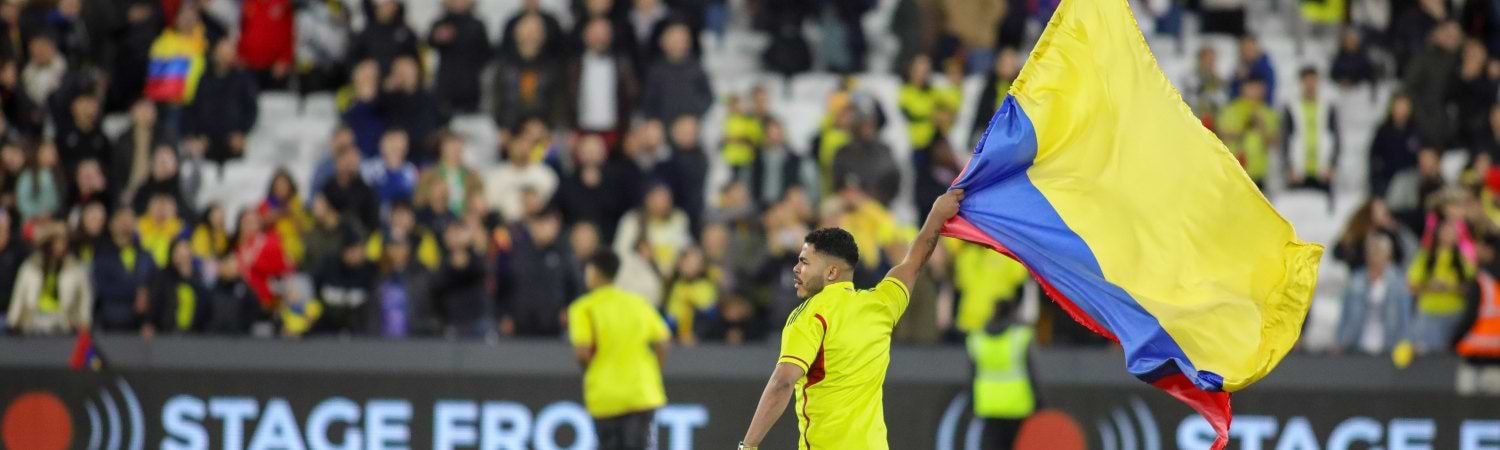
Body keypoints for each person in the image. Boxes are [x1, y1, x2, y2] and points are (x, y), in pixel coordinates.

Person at [739, 189, 965, 449]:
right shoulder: (880, 304)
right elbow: (914, 262)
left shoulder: (810, 316)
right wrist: (937, 214)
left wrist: (748, 446)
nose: (796, 268)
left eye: (805, 262)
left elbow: (783, 382)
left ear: (831, 272)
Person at [567, 251, 670, 450]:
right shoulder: (638, 303)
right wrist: (654, 371)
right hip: (641, 392)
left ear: (593, 272)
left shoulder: (583, 308)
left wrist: (590, 368)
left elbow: (582, 352)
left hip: (605, 395)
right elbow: (663, 341)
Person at [968, 298, 1039, 450]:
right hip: (1017, 403)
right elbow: (1030, 372)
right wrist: (1038, 400)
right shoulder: (1020, 336)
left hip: (988, 402)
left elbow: (972, 374)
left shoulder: (976, 338)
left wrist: (972, 400)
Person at [497, 210, 580, 337]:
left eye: (549, 224)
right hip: (520, 327)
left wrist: (568, 310)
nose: (545, 229)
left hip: (554, 328)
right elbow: (503, 286)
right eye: (541, 224)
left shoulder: (564, 253)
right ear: (532, 226)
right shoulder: (517, 253)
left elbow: (575, 287)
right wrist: (504, 315)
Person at [184, 38, 259, 164]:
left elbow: (251, 110)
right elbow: (193, 109)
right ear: (214, 53)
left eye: (229, 52)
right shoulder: (203, 79)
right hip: (206, 142)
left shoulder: (243, 79)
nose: (226, 56)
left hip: (232, 142)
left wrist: (242, 133)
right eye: (222, 52)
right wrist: (196, 136)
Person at [1335, 234, 1413, 355]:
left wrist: (1405, 343)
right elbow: (1345, 314)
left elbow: (1404, 318)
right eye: (1372, 252)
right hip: (1357, 342)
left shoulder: (1398, 283)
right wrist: (1340, 340)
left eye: (1379, 252)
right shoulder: (1356, 280)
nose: (1375, 256)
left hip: (1389, 343)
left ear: (1388, 255)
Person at [1409, 216, 1475, 353]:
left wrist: (1452, 288)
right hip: (1429, 313)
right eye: (1445, 231)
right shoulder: (1425, 256)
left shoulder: (1463, 259)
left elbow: (1472, 288)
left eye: (1452, 232)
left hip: (1454, 313)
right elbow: (1412, 286)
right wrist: (1430, 286)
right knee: (1427, 353)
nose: (1448, 235)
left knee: (1450, 353)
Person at [6, 225, 89, 335]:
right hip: (34, 321)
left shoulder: (74, 266)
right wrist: (13, 321)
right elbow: (19, 294)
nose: (60, 246)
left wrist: (84, 320)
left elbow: (85, 295)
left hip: (64, 322)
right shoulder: (31, 265)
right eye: (56, 241)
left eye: (63, 241)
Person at [493, 14, 568, 130]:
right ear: (516, 34)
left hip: (543, 130)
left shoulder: (553, 68)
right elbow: (495, 99)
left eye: (535, 31)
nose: (530, 35)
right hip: (508, 130)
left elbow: (558, 104)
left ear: (543, 35)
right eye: (526, 30)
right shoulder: (503, 66)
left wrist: (547, 127)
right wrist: (502, 127)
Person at [570, 17, 639, 140]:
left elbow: (632, 96)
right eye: (595, 33)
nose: (600, 38)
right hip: (581, 132)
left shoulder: (622, 64)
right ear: (585, 36)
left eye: (604, 34)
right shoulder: (573, 65)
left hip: (616, 133)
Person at [1282, 67, 1341, 210]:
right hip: (1298, 171)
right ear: (1301, 83)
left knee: (1325, 212)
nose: (1310, 85)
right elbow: (1286, 139)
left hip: (1322, 170)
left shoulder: (1327, 107)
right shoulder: (1292, 107)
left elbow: (1336, 137)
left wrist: (1332, 165)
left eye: (1313, 81)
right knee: (1296, 211)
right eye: (1306, 81)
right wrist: (1289, 168)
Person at [92, 209, 156, 333]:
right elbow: (102, 288)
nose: (126, 223)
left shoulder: (145, 255)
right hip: (112, 320)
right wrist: (136, 292)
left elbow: (155, 282)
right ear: (111, 225)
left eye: (130, 219)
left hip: (143, 322)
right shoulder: (102, 255)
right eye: (121, 219)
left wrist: (146, 296)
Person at [640, 22, 712, 123]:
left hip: (690, 123)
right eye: (673, 39)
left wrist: (693, 116)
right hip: (662, 124)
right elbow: (648, 102)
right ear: (662, 42)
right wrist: (653, 120)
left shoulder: (696, 67)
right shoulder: (655, 70)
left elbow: (707, 97)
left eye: (681, 39)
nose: (677, 44)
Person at [428, 0, 491, 115]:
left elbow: (486, 54)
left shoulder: (477, 25)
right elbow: (430, 42)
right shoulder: (441, 24)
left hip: (470, 87)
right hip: (445, 87)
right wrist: (438, 37)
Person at [1217, 77, 1280, 189]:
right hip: (1234, 172)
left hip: (1259, 174)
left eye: (1257, 88)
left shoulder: (1269, 113)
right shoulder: (1231, 110)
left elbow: (1274, 142)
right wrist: (1242, 128)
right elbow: (1219, 136)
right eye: (1251, 88)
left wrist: (1262, 127)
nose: (1254, 92)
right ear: (1243, 89)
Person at [432, 223, 488, 338]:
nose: (456, 238)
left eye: (458, 234)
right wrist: (453, 263)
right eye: (452, 234)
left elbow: (480, 271)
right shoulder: (442, 259)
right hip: (451, 320)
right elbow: (437, 284)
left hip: (476, 319)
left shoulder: (475, 257)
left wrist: (465, 254)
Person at [372, 237, 436, 337]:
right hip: (383, 337)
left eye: (400, 245)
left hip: (414, 337)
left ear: (408, 247)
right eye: (392, 246)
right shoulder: (378, 275)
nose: (397, 250)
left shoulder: (421, 273)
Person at [144, 239, 208, 335]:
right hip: (166, 333)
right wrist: (149, 323)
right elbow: (155, 302)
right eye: (180, 255)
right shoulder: (163, 276)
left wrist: (187, 277)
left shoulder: (197, 278)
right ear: (172, 255)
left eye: (186, 256)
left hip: (193, 335)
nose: (183, 259)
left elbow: (204, 304)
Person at [1370, 94, 1422, 197]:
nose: (1402, 110)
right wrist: (1378, 191)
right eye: (1399, 106)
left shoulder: (1416, 130)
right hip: (1388, 182)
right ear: (1392, 107)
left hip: (1412, 180)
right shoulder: (1383, 131)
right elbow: (1375, 161)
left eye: (1405, 106)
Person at [349, 0, 418, 74]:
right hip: (373, 77)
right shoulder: (364, 34)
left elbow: (415, 56)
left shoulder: (405, 32)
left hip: (399, 77)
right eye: (386, 5)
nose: (390, 7)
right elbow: (352, 60)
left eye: (392, 4)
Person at [361, 129, 419, 208]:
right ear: (382, 146)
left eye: (400, 148)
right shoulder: (369, 167)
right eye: (392, 146)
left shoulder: (410, 170)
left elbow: (414, 198)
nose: (396, 151)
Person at [16, 141, 62, 221]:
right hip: (32, 220)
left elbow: (57, 200)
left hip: (52, 218)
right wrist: (37, 213)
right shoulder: (28, 175)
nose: (50, 155)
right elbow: (22, 201)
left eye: (53, 152)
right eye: (47, 152)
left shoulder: (58, 175)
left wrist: (50, 212)